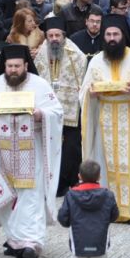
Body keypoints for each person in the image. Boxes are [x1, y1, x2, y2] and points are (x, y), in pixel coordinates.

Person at [0, 45, 63, 258]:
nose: (13, 70)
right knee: (7, 199)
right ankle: (14, 240)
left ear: (25, 66)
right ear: (4, 66)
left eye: (17, 66)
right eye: (9, 66)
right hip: (3, 155)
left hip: (32, 153)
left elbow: (57, 112)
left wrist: (42, 114)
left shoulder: (39, 85)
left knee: (31, 198)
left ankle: (33, 242)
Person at [79, 15, 130, 222]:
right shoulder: (96, 61)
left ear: (123, 35)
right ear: (103, 36)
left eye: (116, 34)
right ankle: (107, 208)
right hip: (104, 120)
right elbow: (84, 91)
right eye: (108, 34)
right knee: (104, 165)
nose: (112, 38)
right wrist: (91, 94)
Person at [33, 17, 88, 196]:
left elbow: (82, 79)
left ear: (64, 36)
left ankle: (69, 180)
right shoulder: (41, 53)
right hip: (47, 108)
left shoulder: (76, 54)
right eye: (51, 35)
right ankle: (49, 181)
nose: (54, 39)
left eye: (58, 35)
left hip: (70, 109)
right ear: (46, 37)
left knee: (70, 148)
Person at [57, 160, 119, 258]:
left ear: (79, 176)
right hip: (100, 242)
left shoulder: (71, 195)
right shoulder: (108, 195)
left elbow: (63, 218)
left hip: (79, 242)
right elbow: (114, 215)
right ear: (99, 177)